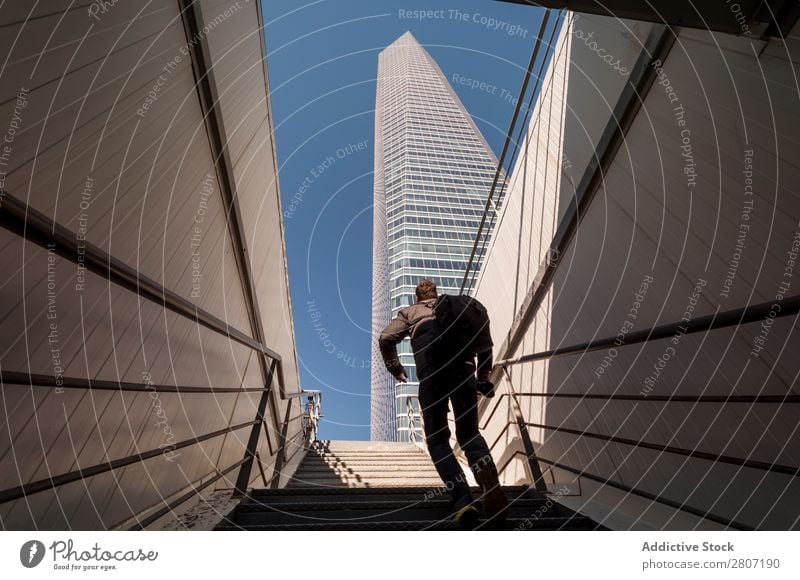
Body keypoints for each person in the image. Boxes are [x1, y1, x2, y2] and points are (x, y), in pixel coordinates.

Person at [378, 279, 508, 525]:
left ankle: (463, 499)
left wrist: (396, 369)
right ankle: (486, 471)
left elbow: (386, 337)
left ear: (418, 297)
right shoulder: (459, 307)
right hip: (465, 373)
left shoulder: (411, 312)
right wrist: (483, 376)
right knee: (469, 434)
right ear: (436, 294)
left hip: (433, 374)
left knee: (437, 440)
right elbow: (484, 344)